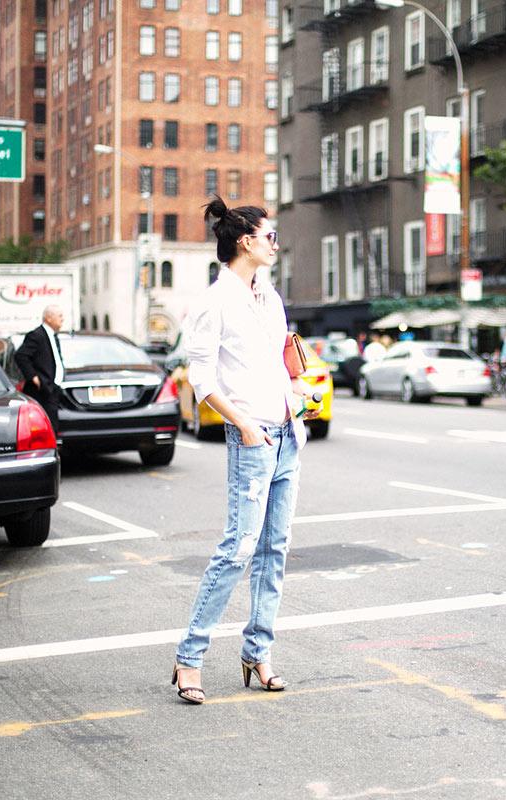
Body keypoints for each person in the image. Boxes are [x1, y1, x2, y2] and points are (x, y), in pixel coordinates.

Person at [172, 197, 317, 704]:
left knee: (275, 549)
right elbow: (202, 378)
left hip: (287, 435)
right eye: (269, 236)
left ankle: (258, 652)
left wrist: (297, 394)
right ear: (245, 241)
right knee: (238, 549)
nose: (275, 244)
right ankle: (189, 658)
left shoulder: (269, 297)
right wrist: (244, 425)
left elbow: (280, 359)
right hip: (252, 438)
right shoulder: (214, 302)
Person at [14, 305, 65, 434]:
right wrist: (33, 377)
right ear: (48, 318)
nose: (62, 319)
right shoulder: (37, 335)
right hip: (42, 389)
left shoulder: (53, 336)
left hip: (53, 388)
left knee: (53, 425)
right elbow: (21, 356)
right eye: (59, 316)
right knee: (45, 427)